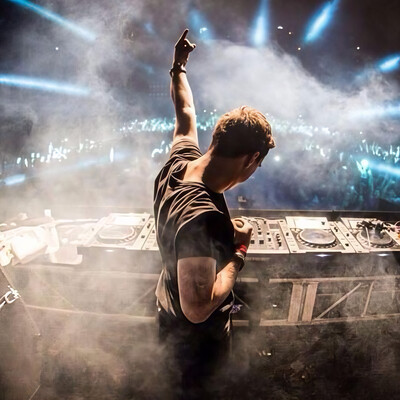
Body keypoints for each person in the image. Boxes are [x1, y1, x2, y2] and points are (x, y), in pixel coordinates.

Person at [153, 29, 275, 398]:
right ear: (252, 158)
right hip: (194, 345)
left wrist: (178, 67)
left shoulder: (179, 161)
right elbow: (197, 308)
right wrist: (240, 251)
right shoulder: (202, 218)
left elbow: (185, 112)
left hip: (167, 317)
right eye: (257, 166)